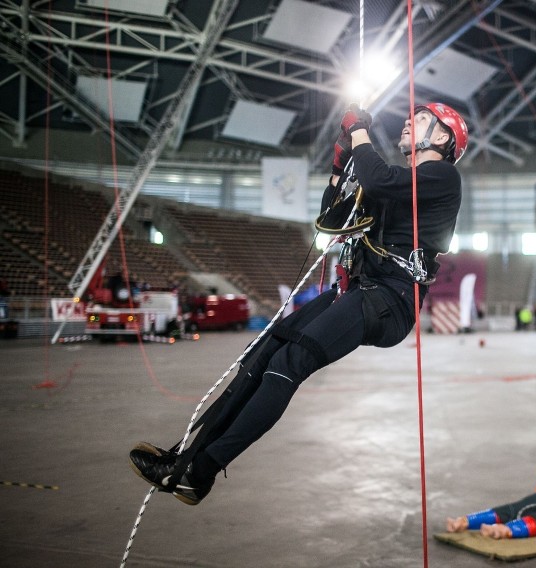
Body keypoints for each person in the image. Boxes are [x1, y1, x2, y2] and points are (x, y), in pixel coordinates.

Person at [129, 102, 469, 505]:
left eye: (424, 119)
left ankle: (200, 473)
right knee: (263, 352)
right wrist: (339, 169)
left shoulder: (442, 177)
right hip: (360, 289)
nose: (411, 120)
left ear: (444, 138)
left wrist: (359, 132)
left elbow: (378, 180)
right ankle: (186, 460)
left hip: (388, 301)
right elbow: (332, 220)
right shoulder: (399, 181)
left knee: (289, 364)